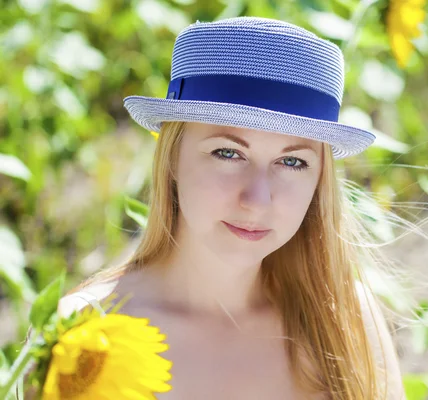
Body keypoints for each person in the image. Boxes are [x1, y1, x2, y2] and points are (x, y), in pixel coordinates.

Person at [58, 16, 405, 399]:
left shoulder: (347, 319)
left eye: (292, 162)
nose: (256, 200)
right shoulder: (87, 333)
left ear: (319, 180)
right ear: (171, 157)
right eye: (228, 153)